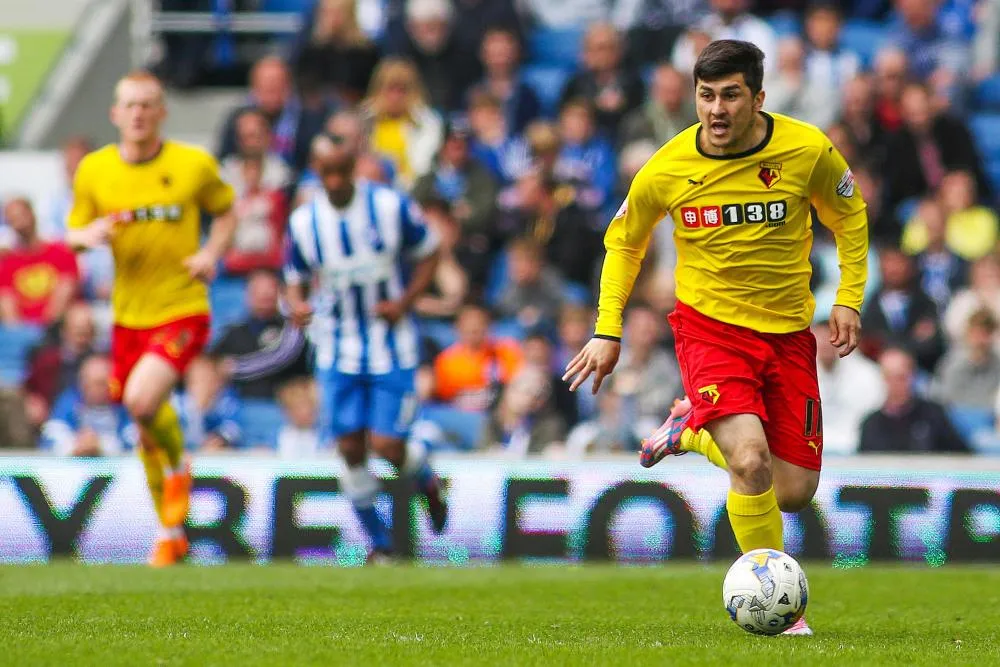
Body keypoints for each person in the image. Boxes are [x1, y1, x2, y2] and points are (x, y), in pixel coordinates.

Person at [562, 40, 869, 636]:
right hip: (711, 334)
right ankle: (784, 613)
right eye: (706, 95)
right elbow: (625, 241)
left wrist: (848, 298)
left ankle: (689, 430)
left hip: (787, 338)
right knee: (750, 460)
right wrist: (607, 328)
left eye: (731, 95)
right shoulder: (668, 166)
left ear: (758, 97)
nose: (717, 109)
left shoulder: (808, 151)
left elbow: (849, 217)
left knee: (795, 492)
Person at [65, 71, 238, 567]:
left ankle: (180, 466)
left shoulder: (193, 165)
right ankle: (170, 532)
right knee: (144, 427)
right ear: (114, 114)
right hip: (127, 316)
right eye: (130, 105)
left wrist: (211, 253)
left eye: (148, 105)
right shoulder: (95, 171)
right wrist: (90, 233)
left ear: (162, 112)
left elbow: (226, 212)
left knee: (141, 402)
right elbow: (73, 232)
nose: (138, 114)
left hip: (182, 306)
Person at [284, 132, 448, 562]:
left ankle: (426, 479)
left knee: (388, 446)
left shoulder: (389, 206)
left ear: (354, 165)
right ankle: (380, 544)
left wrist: (405, 302)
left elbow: (430, 251)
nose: (335, 180)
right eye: (327, 172)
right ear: (316, 172)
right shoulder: (304, 222)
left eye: (342, 170)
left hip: (390, 346)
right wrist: (297, 305)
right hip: (336, 348)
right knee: (350, 448)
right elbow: (293, 276)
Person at [858, 347, 969, 453]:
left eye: (901, 377)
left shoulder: (934, 415)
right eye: (889, 377)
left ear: (912, 376)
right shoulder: (870, 424)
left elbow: (960, 457)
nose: (895, 383)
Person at [0, 198, 79, 327]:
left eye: (21, 216)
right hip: (24, 332)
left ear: (32, 214)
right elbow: (7, 304)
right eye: (13, 220)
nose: (20, 224)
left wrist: (46, 326)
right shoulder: (7, 262)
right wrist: (19, 333)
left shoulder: (60, 252)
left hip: (58, 326)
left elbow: (66, 289)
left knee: (79, 317)